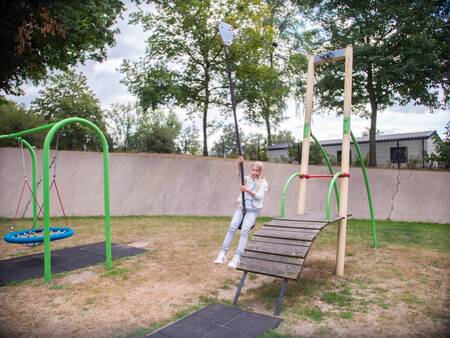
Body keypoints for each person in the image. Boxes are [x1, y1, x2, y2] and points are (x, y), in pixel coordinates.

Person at [214, 156, 269, 269]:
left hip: (253, 210)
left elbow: (259, 197)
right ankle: (222, 254)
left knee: (244, 231)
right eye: (252, 170)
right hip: (242, 208)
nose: (254, 172)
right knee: (232, 227)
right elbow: (239, 177)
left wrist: (247, 190)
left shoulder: (263, 183)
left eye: (256, 170)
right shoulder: (248, 179)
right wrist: (238, 165)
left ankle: (238, 257)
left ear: (261, 171)